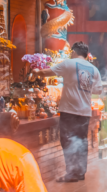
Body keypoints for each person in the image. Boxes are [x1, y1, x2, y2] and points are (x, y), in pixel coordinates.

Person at [32, 41, 101, 183]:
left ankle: (71, 173)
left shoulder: (69, 64)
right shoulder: (94, 70)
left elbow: (47, 72)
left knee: (67, 140)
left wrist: (35, 72)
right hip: (85, 112)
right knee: (81, 141)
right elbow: (97, 90)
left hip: (69, 110)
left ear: (74, 51)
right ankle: (80, 172)